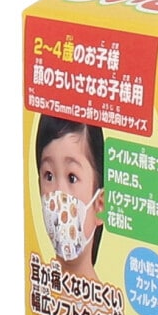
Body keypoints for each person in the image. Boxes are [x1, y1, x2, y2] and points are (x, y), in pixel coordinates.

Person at [35, 115, 105, 281]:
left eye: (72, 177)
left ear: (100, 205)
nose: (59, 193)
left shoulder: (109, 298)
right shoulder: (38, 289)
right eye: (49, 176)